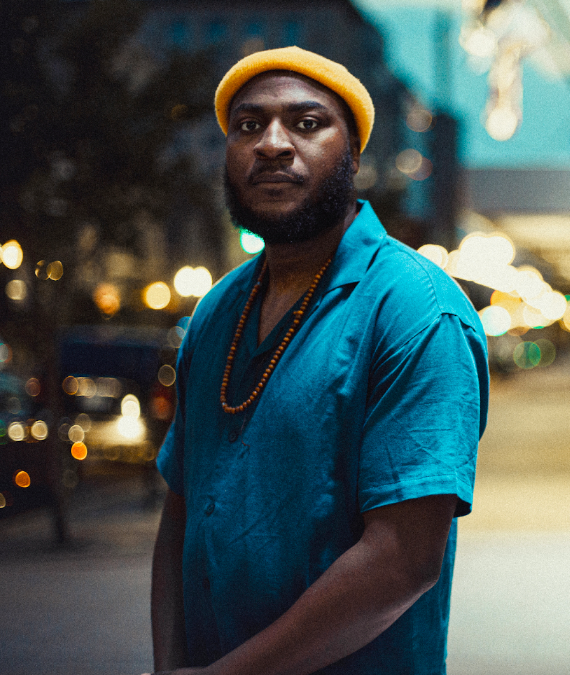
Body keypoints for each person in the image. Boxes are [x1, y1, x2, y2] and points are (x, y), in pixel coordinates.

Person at [148, 47, 489, 675]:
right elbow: (183, 514)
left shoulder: (415, 309)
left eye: (307, 124)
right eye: (248, 126)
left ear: (354, 154)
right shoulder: (218, 308)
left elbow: (405, 559)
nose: (272, 144)